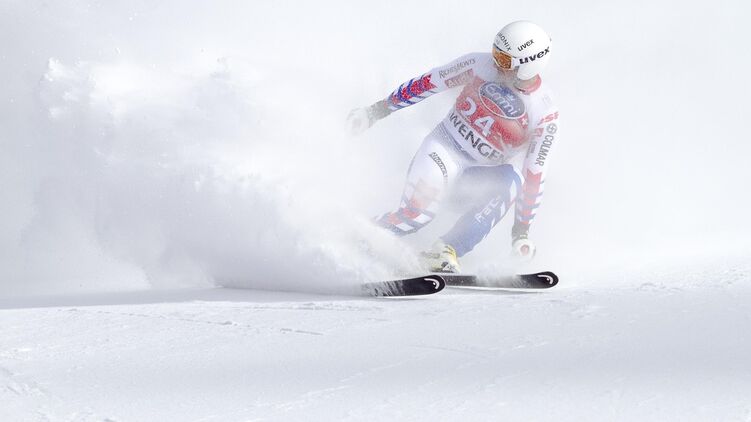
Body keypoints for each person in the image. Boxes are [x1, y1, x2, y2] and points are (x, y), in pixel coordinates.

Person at [347, 21, 560, 273]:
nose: (495, 63)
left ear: (528, 65)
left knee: (512, 180)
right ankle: (356, 236)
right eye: (495, 53)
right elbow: (429, 83)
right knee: (416, 216)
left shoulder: (544, 111)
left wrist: (521, 233)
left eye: (503, 60)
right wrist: (375, 112)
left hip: (475, 179)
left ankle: (445, 250)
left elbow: (534, 173)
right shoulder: (478, 64)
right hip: (443, 151)